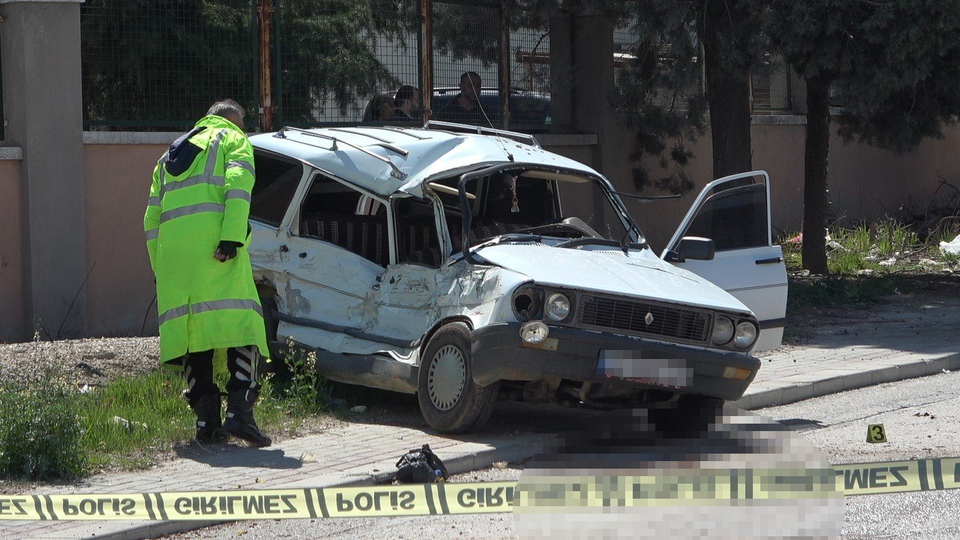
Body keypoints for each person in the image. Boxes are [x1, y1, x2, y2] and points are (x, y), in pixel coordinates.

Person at [143, 99, 271, 447]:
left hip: (176, 263)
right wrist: (231, 237)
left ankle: (206, 423)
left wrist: (161, 268)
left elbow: (150, 219)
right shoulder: (233, 139)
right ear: (234, 121)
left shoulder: (168, 157)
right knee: (244, 325)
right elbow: (238, 185)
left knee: (192, 337)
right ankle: (239, 416)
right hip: (216, 250)